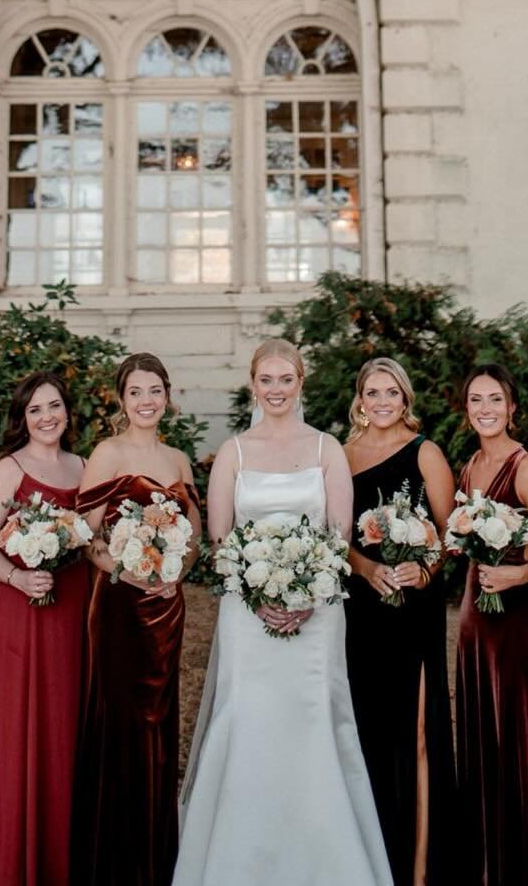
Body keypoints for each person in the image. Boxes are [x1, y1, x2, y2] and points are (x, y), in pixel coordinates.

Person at [173, 338, 392, 886]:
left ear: (301, 383)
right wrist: (259, 590)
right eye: (266, 380)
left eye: (285, 379)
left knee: (313, 721)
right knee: (249, 722)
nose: (276, 390)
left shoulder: (326, 450)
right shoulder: (234, 452)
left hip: (317, 616)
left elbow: (338, 536)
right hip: (249, 619)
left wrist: (305, 598)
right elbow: (222, 540)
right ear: (254, 385)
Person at [76, 352, 203, 886]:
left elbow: (194, 533)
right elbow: (87, 535)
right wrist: (125, 572)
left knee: (159, 724)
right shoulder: (107, 452)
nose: (146, 401)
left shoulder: (177, 459)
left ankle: (156, 857)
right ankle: (115, 862)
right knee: (122, 723)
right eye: (136, 392)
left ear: (167, 396)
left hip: (167, 606)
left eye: (155, 391)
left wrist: (177, 568)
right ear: (122, 399)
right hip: (123, 606)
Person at [0, 371, 89, 886]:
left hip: (71, 610)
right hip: (18, 609)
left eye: (54, 406)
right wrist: (18, 576)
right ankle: (9, 861)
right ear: (23, 417)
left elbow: (95, 537)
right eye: (35, 409)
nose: (46, 417)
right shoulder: (9, 470)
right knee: (18, 729)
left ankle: (59, 857)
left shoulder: (85, 466)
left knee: (63, 728)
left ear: (67, 412)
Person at [343, 356, 457, 886]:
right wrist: (366, 568)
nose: (382, 401)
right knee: (366, 725)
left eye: (391, 391)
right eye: (373, 392)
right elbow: (335, 538)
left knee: (412, 730)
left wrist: (424, 567)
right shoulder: (340, 457)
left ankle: (420, 865)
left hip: (413, 611)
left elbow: (450, 534)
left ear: (404, 398)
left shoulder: (425, 452)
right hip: (360, 610)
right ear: (359, 400)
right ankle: (371, 857)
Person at [455, 363, 528, 886]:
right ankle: (487, 863)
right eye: (476, 400)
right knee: (481, 734)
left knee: (517, 734)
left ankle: (527, 863)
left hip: (517, 618)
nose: (485, 409)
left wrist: (516, 575)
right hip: (476, 617)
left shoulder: (526, 470)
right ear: (466, 408)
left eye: (495, 399)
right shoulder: (471, 465)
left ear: (512, 406)